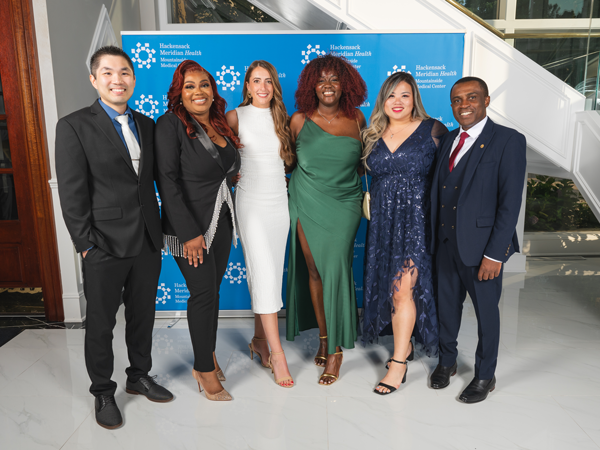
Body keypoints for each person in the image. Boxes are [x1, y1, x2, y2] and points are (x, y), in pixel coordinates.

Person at [55, 46, 173, 430]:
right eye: (107, 73)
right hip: (103, 243)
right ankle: (103, 391)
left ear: (133, 80)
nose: (116, 80)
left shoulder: (148, 124)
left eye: (124, 73)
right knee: (102, 323)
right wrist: (86, 245)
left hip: (146, 241)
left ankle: (138, 376)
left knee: (143, 316)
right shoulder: (73, 125)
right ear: (94, 80)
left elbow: (158, 181)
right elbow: (72, 194)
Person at [430, 76, 526, 403]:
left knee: (486, 314)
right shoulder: (448, 139)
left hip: (483, 249)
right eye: (457, 100)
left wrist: (495, 254)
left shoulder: (508, 140)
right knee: (446, 309)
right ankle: (447, 361)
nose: (464, 105)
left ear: (486, 100)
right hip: (444, 244)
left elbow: (510, 203)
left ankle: (486, 375)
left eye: (472, 97)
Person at [155, 60, 240, 401]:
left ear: (212, 89)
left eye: (204, 84)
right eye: (189, 86)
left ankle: (210, 355)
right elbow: (168, 182)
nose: (198, 92)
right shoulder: (170, 124)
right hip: (187, 228)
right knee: (203, 294)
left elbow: (225, 170)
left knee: (211, 295)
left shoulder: (219, 123)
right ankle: (203, 369)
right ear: (180, 92)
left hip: (221, 219)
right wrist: (190, 234)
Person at [361, 72, 447, 394]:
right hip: (383, 224)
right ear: (383, 100)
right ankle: (405, 346)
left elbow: (451, 174)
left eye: (405, 96)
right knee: (393, 289)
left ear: (415, 99)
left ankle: (398, 363)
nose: (397, 102)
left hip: (417, 223)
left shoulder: (433, 130)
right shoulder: (372, 135)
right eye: (391, 96)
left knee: (402, 291)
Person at [286, 54, 367, 385]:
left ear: (345, 84)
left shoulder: (358, 119)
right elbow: (289, 162)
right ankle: (323, 336)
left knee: (335, 269)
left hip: (345, 203)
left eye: (335, 80)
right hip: (306, 200)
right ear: (311, 86)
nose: (328, 86)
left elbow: (363, 165)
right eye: (321, 80)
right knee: (315, 270)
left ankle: (335, 350)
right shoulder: (298, 121)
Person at [226, 60, 294, 388]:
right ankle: (278, 355)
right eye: (256, 81)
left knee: (268, 273)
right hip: (250, 202)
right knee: (264, 271)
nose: (263, 87)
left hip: (279, 203)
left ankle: (259, 340)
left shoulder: (284, 117)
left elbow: (293, 160)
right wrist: (230, 174)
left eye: (268, 80)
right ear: (247, 86)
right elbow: (219, 158)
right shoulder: (235, 117)